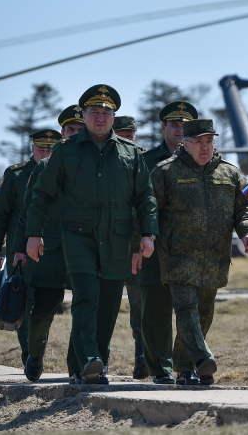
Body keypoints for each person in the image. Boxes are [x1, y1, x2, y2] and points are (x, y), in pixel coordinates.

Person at [24, 85, 158, 384]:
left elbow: (145, 197)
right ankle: (89, 358)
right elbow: (42, 195)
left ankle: (91, 365)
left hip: (117, 237)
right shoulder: (65, 150)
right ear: (84, 115)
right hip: (78, 235)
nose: (100, 117)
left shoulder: (130, 153)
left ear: (113, 117)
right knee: (86, 297)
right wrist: (33, 234)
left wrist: (148, 234)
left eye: (106, 113)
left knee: (108, 305)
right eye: (94, 112)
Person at [150, 118, 248, 385]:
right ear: (185, 143)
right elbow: (148, 210)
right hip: (177, 256)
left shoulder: (231, 173)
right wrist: (144, 239)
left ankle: (184, 369)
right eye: (198, 142)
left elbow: (246, 206)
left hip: (215, 257)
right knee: (187, 309)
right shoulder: (165, 172)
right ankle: (202, 359)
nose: (205, 146)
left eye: (209, 141)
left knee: (204, 314)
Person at [12, 106, 84, 382]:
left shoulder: (97, 167)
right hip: (49, 251)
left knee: (84, 309)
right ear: (61, 134)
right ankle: (35, 354)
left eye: (80, 129)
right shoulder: (44, 167)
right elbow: (28, 210)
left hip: (83, 249)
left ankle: (78, 366)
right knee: (41, 311)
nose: (75, 134)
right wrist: (20, 248)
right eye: (70, 129)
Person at [0, 128, 60, 365]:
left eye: (50, 150)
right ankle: (29, 353)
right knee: (23, 299)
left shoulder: (64, 171)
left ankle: (37, 349)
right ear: (32, 148)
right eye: (41, 149)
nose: (45, 153)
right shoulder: (16, 174)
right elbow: (1, 215)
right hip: (21, 250)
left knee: (46, 302)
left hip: (52, 249)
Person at [139, 101, 198, 385]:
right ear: (163, 128)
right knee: (155, 310)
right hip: (155, 245)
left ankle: (186, 367)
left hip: (190, 248)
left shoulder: (203, 159)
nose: (180, 129)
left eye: (185, 125)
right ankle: (161, 368)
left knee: (190, 311)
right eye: (174, 124)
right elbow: (137, 202)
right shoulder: (147, 160)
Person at [111, 114, 148, 379]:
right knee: (104, 306)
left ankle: (142, 358)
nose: (126, 141)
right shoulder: (100, 160)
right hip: (109, 246)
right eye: (121, 136)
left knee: (140, 306)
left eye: (130, 136)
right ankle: (97, 359)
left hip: (137, 249)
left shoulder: (145, 160)